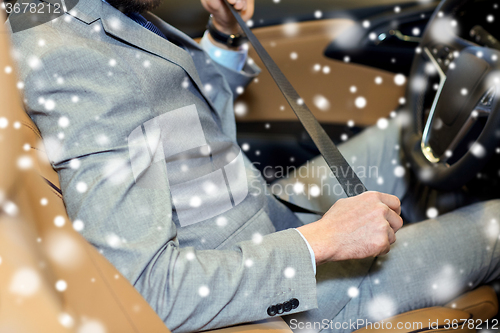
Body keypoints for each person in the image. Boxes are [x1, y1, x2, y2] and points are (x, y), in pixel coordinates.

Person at [7, 0, 500, 332]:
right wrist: (322, 242)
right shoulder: (74, 61)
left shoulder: (93, 15)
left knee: (402, 138)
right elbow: (146, 290)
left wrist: (223, 37)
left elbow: (181, 124)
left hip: (258, 212)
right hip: (294, 294)